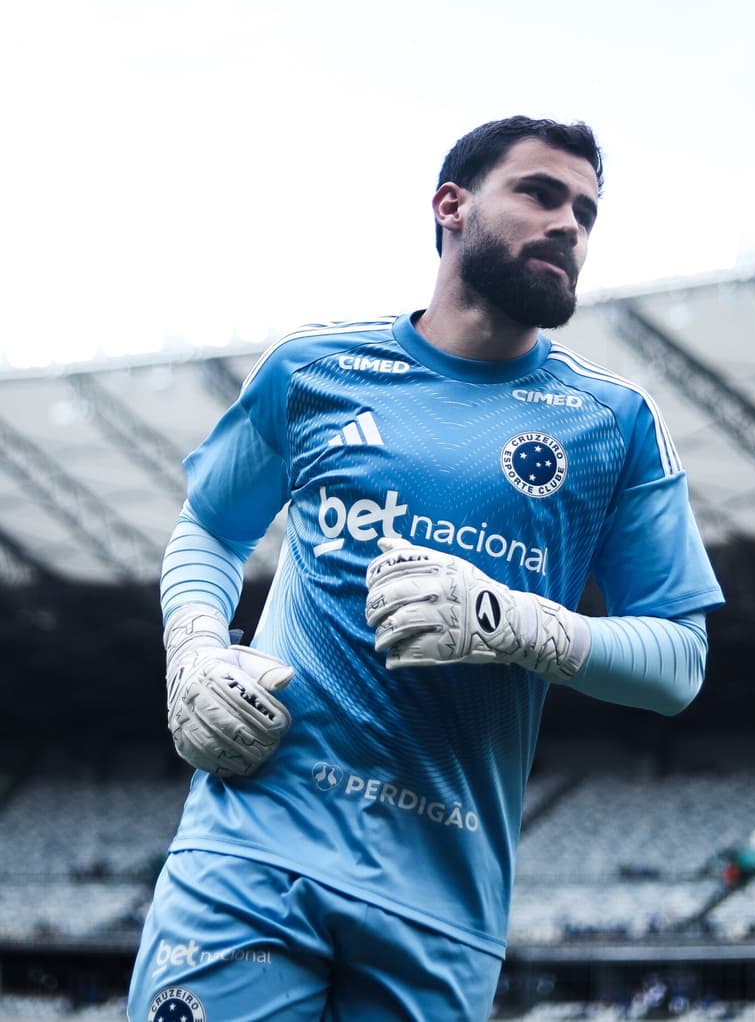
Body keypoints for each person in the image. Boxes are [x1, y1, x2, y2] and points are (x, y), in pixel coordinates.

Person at [127, 115, 724, 1021]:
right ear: (451, 205)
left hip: (442, 905)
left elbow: (680, 661)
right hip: (252, 850)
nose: (570, 224)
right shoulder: (316, 370)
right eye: (539, 192)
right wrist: (196, 650)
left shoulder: (615, 425)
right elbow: (209, 528)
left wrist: (523, 624)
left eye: (588, 212)